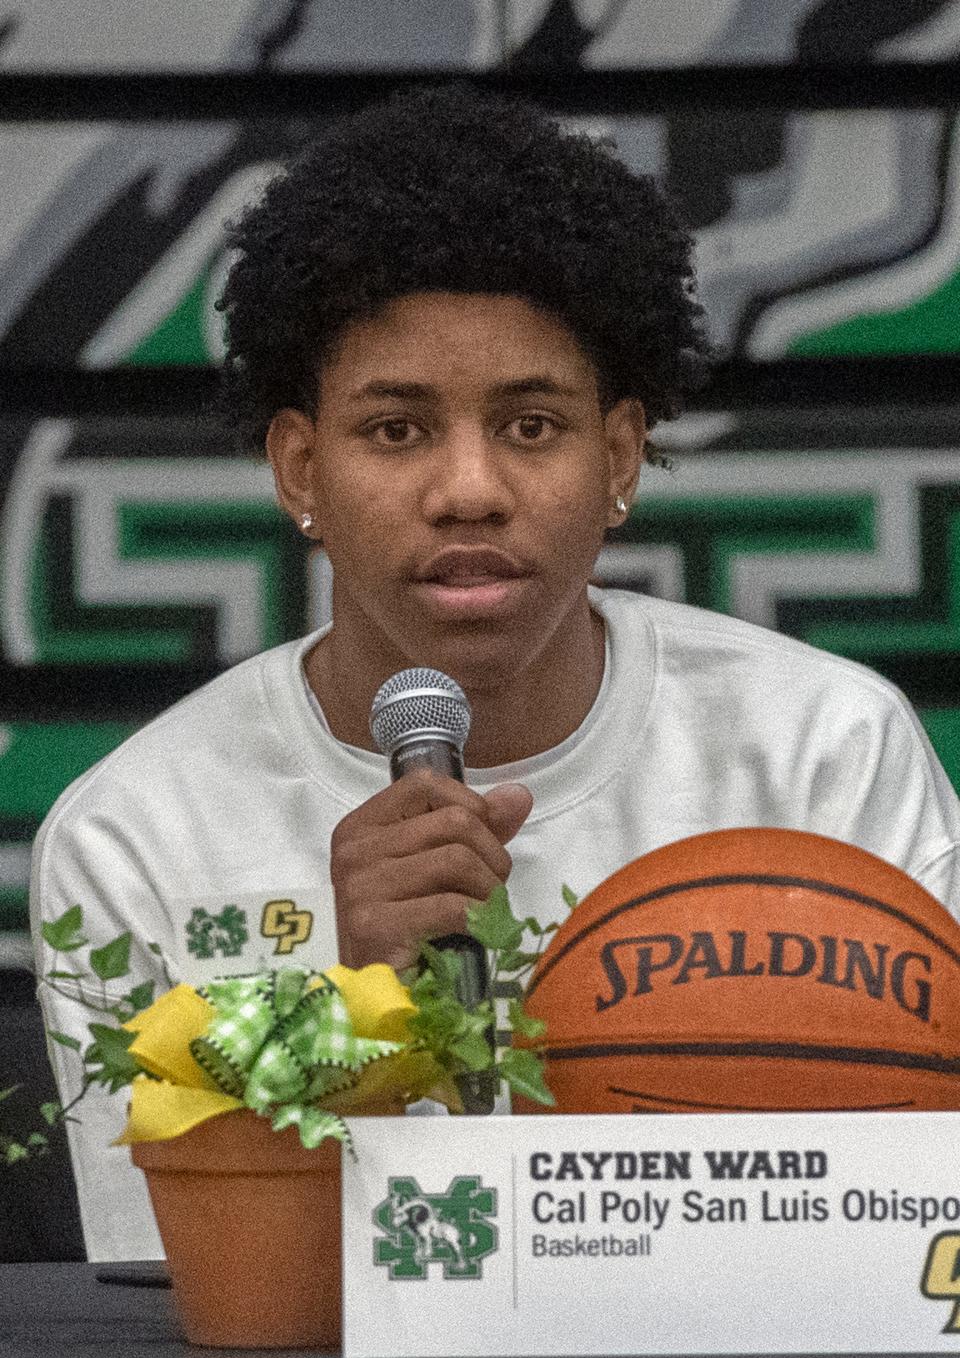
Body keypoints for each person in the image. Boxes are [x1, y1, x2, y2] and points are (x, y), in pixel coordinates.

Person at [30, 84, 960, 1262]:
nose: (469, 487)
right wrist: (349, 1020)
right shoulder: (137, 833)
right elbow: (180, 1309)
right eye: (396, 429)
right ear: (299, 467)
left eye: (530, 426)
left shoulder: (827, 750)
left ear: (619, 455)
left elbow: (926, 1245)